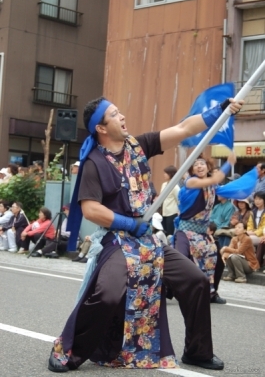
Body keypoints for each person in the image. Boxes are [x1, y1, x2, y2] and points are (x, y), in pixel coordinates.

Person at [48, 96, 244, 373]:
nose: (122, 116)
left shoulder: (139, 146)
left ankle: (197, 351)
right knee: (107, 294)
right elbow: (91, 209)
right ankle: (69, 351)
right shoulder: (94, 163)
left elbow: (184, 129)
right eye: (115, 115)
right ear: (101, 128)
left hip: (148, 241)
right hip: (116, 240)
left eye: (119, 111)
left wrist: (218, 112)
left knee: (197, 281)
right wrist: (128, 224)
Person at [173, 154, 237, 304]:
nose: (199, 166)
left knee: (217, 262)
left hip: (203, 232)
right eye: (196, 165)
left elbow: (226, 188)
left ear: (208, 167)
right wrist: (228, 164)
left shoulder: (212, 187)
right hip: (185, 231)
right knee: (179, 259)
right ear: (192, 170)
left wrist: (248, 182)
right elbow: (215, 179)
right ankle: (169, 289)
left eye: (202, 164)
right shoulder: (191, 182)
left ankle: (211, 293)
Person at [160, 165, 180, 235]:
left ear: (171, 174)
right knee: (163, 232)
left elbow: (179, 201)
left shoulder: (175, 187)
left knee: (170, 233)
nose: (164, 175)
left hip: (172, 213)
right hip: (163, 212)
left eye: (166, 173)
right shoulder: (164, 184)